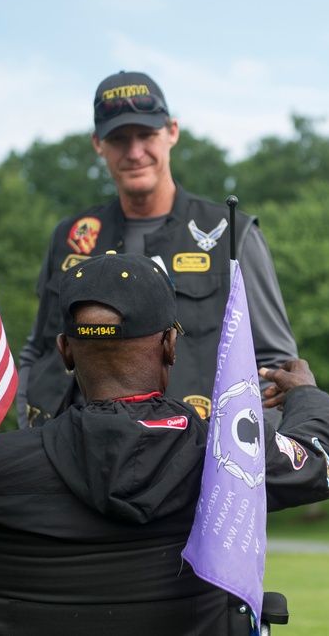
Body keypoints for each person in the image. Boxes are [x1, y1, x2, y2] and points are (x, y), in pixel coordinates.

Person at [0, 252, 329, 633]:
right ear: (170, 345)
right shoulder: (225, 457)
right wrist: (305, 394)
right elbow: (322, 464)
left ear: (65, 351)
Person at [18, 70, 298, 428]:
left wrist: (243, 453)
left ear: (172, 132)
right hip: (77, 452)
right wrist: (32, 429)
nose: (135, 153)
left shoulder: (233, 234)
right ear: (98, 144)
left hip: (197, 452)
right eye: (119, 139)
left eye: (146, 135)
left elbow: (275, 363)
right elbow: (39, 350)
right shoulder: (70, 236)